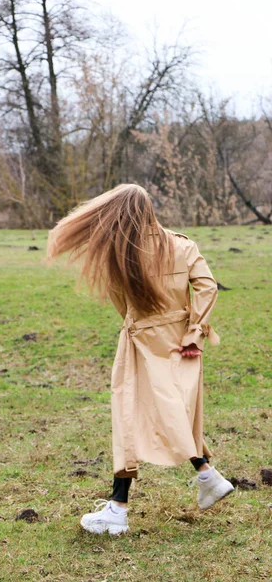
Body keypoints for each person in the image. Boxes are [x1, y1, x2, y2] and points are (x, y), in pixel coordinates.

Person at [47, 183, 234, 535]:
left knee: (130, 417)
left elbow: (122, 305)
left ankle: (118, 511)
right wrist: (194, 332)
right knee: (176, 411)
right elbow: (208, 286)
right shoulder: (183, 244)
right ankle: (207, 476)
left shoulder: (121, 255)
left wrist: (138, 324)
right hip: (184, 342)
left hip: (142, 342)